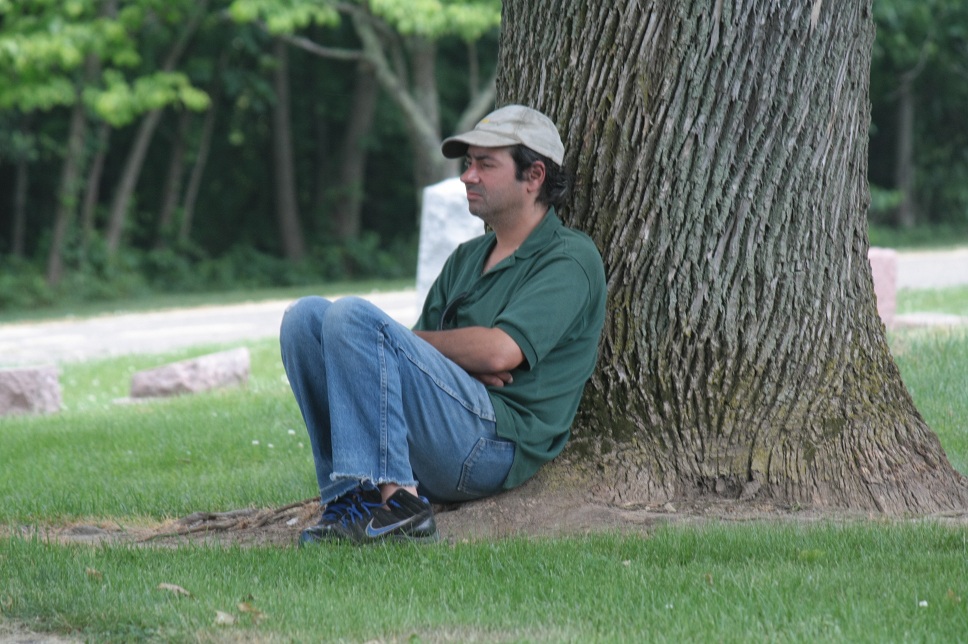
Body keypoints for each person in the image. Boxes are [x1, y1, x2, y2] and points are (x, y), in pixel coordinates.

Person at [279, 104, 606, 545]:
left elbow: (500, 352)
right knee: (305, 319)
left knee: (353, 316)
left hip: (493, 443)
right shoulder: (467, 259)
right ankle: (351, 503)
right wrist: (459, 356)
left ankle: (403, 508)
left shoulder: (569, 259)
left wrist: (468, 353)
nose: (467, 176)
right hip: (444, 428)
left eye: (485, 165)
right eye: (468, 164)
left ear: (534, 177)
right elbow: (398, 362)